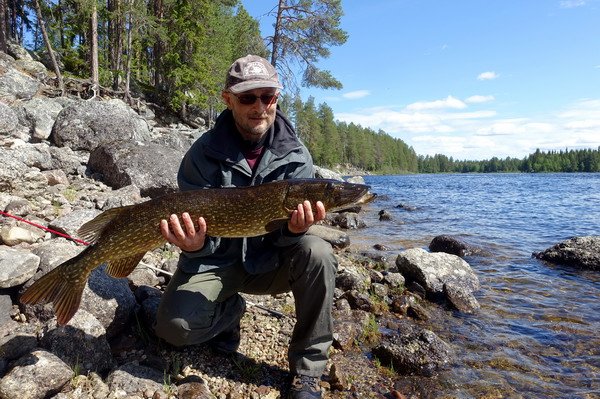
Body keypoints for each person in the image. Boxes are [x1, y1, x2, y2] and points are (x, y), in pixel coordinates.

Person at [154, 54, 337, 399]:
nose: (259, 106)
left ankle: (308, 372)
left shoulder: (297, 156)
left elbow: (287, 239)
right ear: (228, 99)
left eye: (267, 97)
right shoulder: (202, 155)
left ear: (276, 99)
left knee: (319, 252)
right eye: (248, 97)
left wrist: (295, 231)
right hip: (215, 261)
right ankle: (229, 310)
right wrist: (194, 245)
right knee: (173, 329)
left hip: (270, 261)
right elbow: (197, 230)